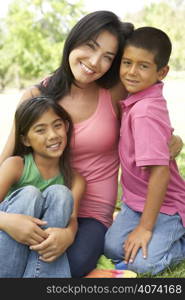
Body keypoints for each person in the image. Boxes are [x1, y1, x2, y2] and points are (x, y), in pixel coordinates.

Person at [0, 11, 182, 277]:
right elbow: (8, 158)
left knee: (74, 265)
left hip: (91, 212)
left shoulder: (116, 92)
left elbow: (151, 121)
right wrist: (7, 220)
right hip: (35, 203)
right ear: (74, 40)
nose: (95, 62)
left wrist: (174, 142)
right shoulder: (36, 96)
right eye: (90, 47)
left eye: (108, 57)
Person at [104, 26, 185, 275]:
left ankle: (179, 240)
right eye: (127, 62)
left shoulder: (145, 111)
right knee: (112, 249)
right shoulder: (137, 101)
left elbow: (160, 174)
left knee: (142, 264)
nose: (131, 71)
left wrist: (145, 228)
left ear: (162, 72)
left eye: (143, 66)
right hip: (135, 203)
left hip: (166, 206)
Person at [0, 96, 85, 277]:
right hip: (6, 249)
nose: (53, 135)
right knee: (30, 194)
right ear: (25, 140)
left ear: (66, 127)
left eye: (57, 125)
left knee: (61, 194)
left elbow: (72, 219)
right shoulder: (16, 165)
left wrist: (68, 235)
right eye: (40, 130)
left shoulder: (75, 180)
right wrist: (8, 222)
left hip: (38, 259)